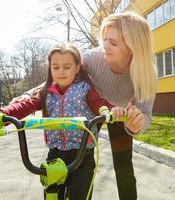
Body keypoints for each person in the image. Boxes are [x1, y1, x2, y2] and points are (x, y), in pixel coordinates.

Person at [11, 12, 157, 200]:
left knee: (124, 167)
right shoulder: (93, 58)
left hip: (119, 114)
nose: (105, 46)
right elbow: (61, 78)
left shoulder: (146, 72)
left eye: (113, 43)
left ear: (133, 47)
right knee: (81, 159)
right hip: (93, 106)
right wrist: (27, 95)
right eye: (105, 39)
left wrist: (136, 123)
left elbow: (145, 113)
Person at [0, 43, 125, 200]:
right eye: (56, 67)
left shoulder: (85, 89)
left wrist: (111, 111)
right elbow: (25, 105)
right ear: (50, 69)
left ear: (76, 68)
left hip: (82, 154)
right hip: (56, 153)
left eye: (67, 67)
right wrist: (1, 113)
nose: (61, 71)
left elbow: (99, 104)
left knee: (80, 195)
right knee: (52, 195)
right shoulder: (45, 92)